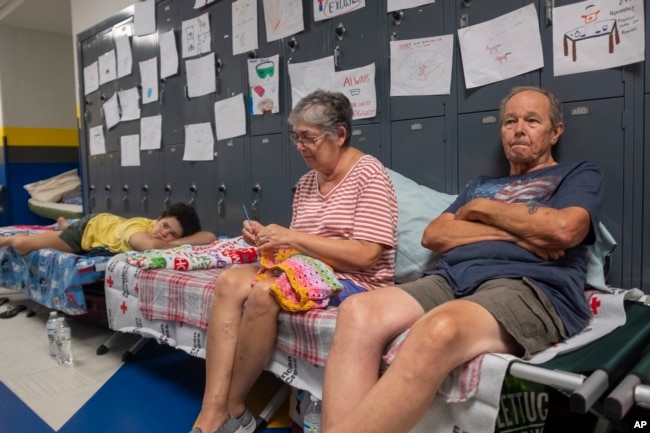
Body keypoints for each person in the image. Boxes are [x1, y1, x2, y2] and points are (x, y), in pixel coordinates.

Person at [320, 86, 604, 433]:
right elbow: (435, 236)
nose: (518, 129)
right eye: (510, 121)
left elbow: (563, 230)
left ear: (555, 131)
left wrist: (482, 212)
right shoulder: (480, 186)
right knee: (357, 311)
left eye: (532, 121)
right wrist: (520, 232)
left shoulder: (577, 174)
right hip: (451, 278)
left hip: (528, 285)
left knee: (439, 329)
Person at [190, 90, 398, 433]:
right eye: (296, 137)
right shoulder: (305, 183)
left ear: (340, 135)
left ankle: (236, 405)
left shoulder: (369, 174)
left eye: (309, 138)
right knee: (228, 281)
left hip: (358, 279)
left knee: (265, 293)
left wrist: (293, 238)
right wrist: (266, 238)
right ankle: (212, 411)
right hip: (312, 270)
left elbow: (366, 254)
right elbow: (299, 250)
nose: (300, 147)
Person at [0, 202, 216, 255]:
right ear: (158, 218)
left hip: (108, 225)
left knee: (62, 230)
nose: (164, 234)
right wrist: (176, 242)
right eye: (165, 225)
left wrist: (172, 240)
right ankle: (9, 238)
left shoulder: (160, 231)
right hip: (87, 231)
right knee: (23, 245)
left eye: (172, 234)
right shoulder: (139, 227)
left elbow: (210, 235)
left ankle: (64, 225)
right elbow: (148, 245)